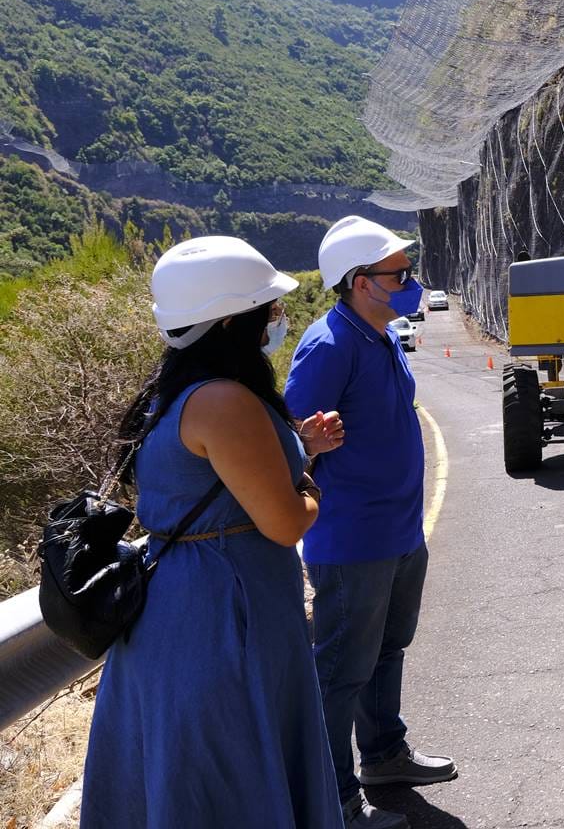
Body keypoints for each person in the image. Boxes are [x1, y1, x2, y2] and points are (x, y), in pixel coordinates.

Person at [82, 236, 346, 828]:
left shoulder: (174, 392)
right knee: (240, 774)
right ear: (230, 319)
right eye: (268, 310)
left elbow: (217, 483)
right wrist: (309, 487)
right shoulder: (225, 399)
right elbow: (284, 522)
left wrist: (298, 447)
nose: (273, 321)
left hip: (186, 609)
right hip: (226, 615)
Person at [286, 216, 455, 829]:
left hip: (399, 534)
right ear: (360, 282)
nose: (409, 281)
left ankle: (384, 757)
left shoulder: (380, 333)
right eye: (398, 274)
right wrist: (304, 442)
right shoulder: (328, 345)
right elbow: (287, 438)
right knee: (340, 671)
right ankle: (336, 803)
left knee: (387, 650)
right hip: (353, 541)